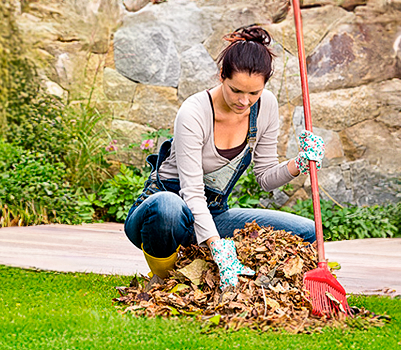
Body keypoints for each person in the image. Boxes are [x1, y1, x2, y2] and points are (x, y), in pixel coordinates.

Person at [124, 25, 326, 287]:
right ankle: (163, 280)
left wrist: (299, 163)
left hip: (213, 214)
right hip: (164, 217)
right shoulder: (194, 113)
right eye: (236, 90)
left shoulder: (266, 107)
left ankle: (254, 284)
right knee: (167, 208)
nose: (244, 101)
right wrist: (218, 247)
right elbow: (192, 193)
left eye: (254, 92)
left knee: (307, 231)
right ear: (222, 76)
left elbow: (265, 178)